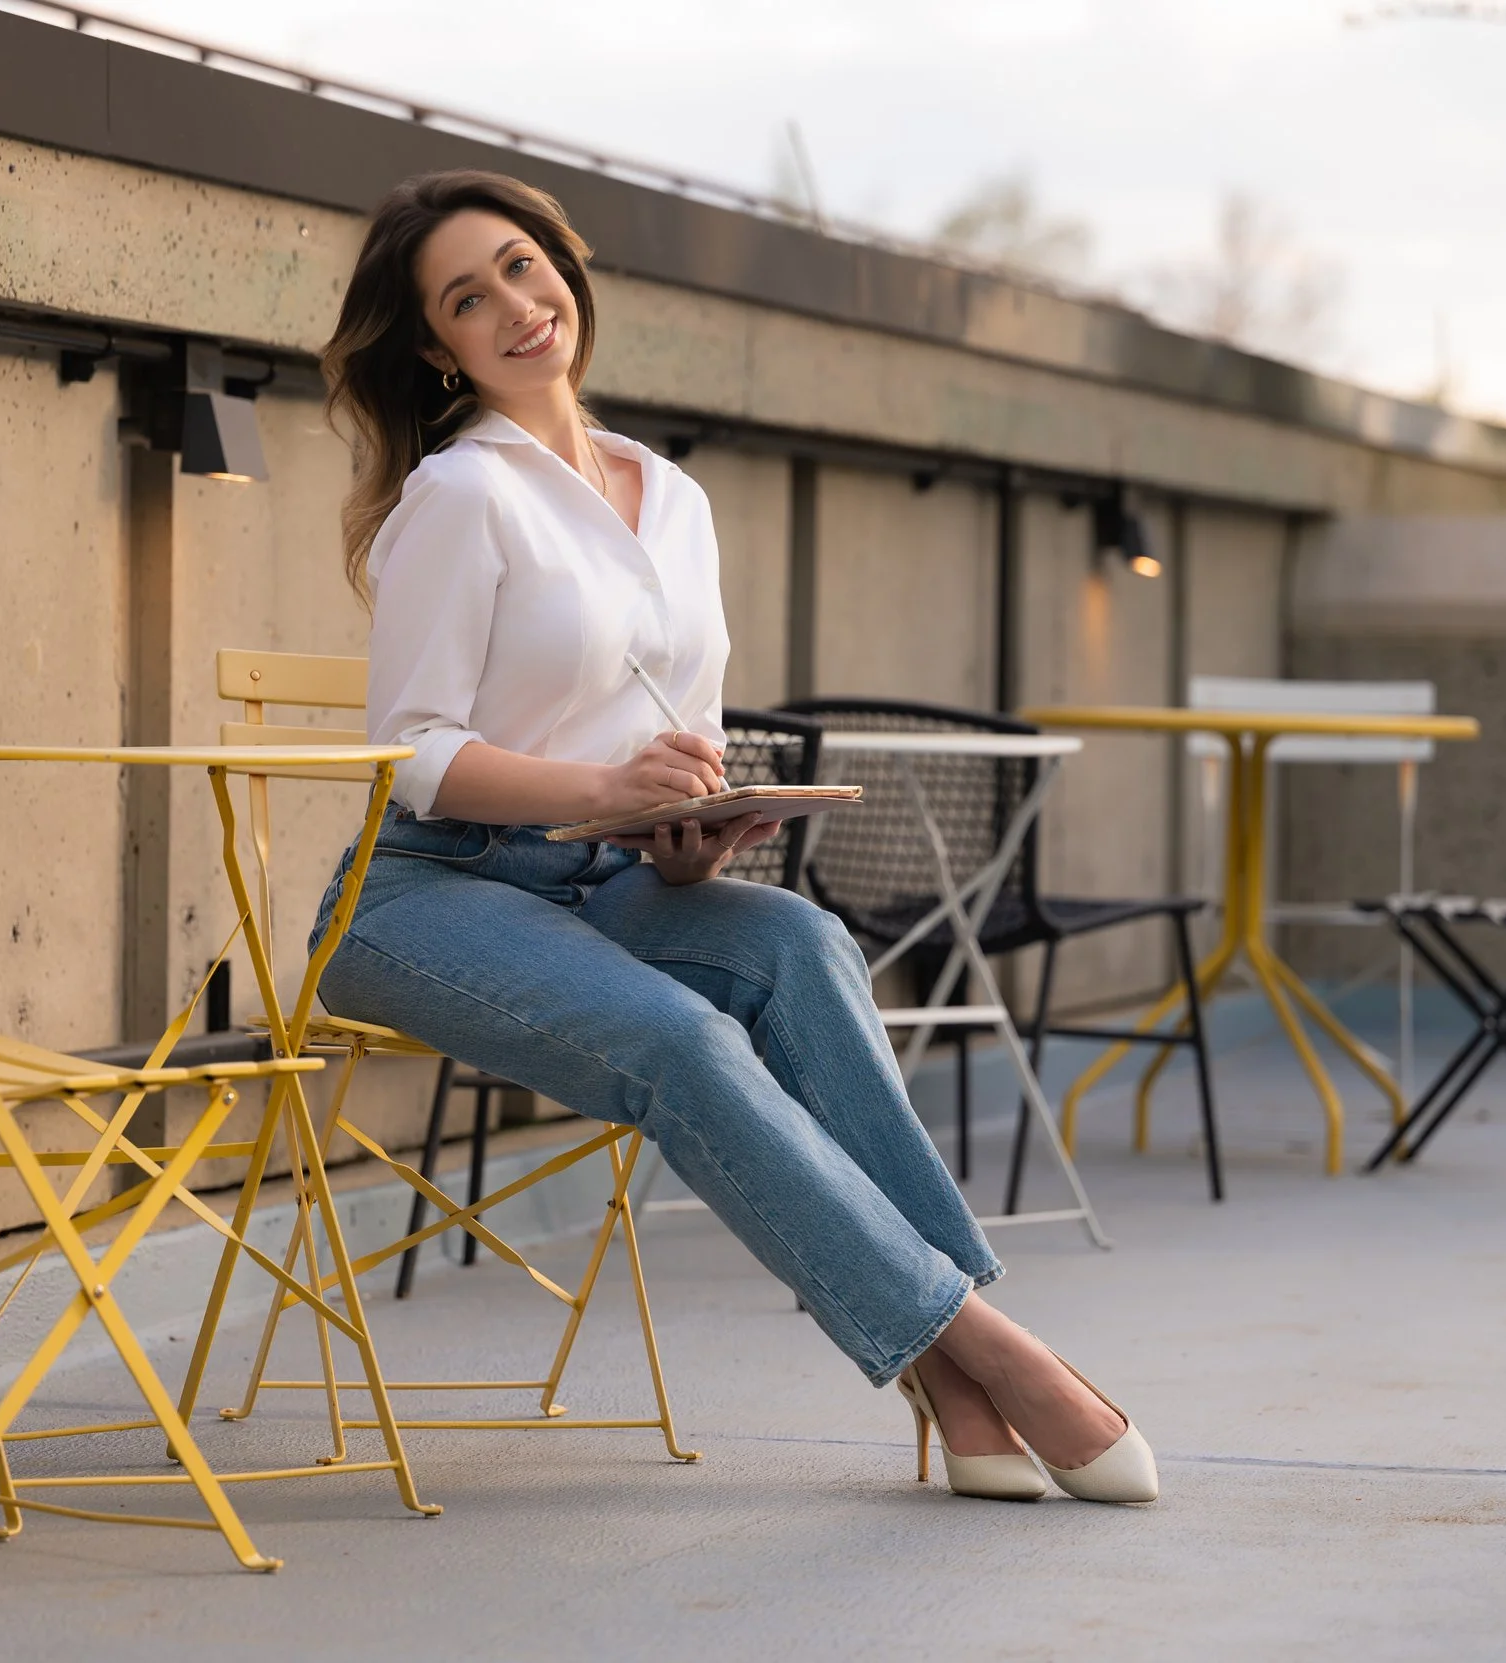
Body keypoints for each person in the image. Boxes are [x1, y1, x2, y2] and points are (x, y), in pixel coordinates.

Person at [308, 169, 1154, 1505]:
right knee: (685, 1037)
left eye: (523, 265)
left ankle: (945, 1370)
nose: (516, 306)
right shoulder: (462, 494)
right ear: (438, 348)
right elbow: (411, 757)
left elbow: (675, 725)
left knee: (802, 944)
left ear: (563, 270)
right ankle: (995, 1350)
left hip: (607, 879)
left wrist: (684, 829)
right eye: (469, 299)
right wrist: (605, 788)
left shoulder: (675, 499)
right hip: (426, 898)